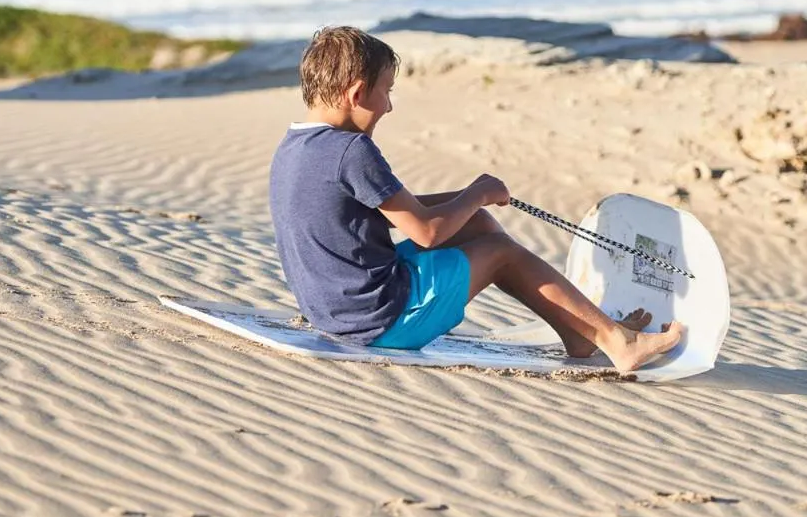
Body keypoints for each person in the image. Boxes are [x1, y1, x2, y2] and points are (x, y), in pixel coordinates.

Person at [269, 26, 684, 373]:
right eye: (387, 92)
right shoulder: (352, 150)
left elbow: (379, 210)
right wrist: (477, 192)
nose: (390, 106)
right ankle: (618, 341)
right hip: (381, 320)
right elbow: (429, 233)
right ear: (357, 94)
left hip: (337, 313)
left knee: (478, 225)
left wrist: (473, 201)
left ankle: (578, 332)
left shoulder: (296, 145)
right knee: (501, 251)